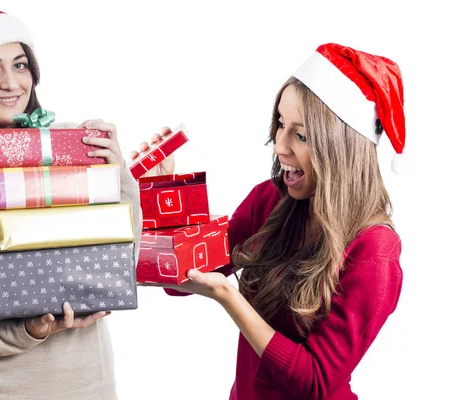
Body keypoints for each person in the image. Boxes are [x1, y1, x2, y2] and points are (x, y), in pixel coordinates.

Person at [0, 7, 163, 399]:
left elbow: (119, 263)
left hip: (91, 386)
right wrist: (26, 330)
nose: (11, 83)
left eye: (20, 65)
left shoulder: (72, 149)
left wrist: (118, 174)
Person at [134, 43, 405, 399]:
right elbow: (180, 276)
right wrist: (162, 190)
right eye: (280, 124)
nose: (279, 145)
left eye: (301, 134)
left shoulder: (375, 250)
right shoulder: (271, 199)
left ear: (341, 147)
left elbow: (315, 381)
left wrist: (228, 298)